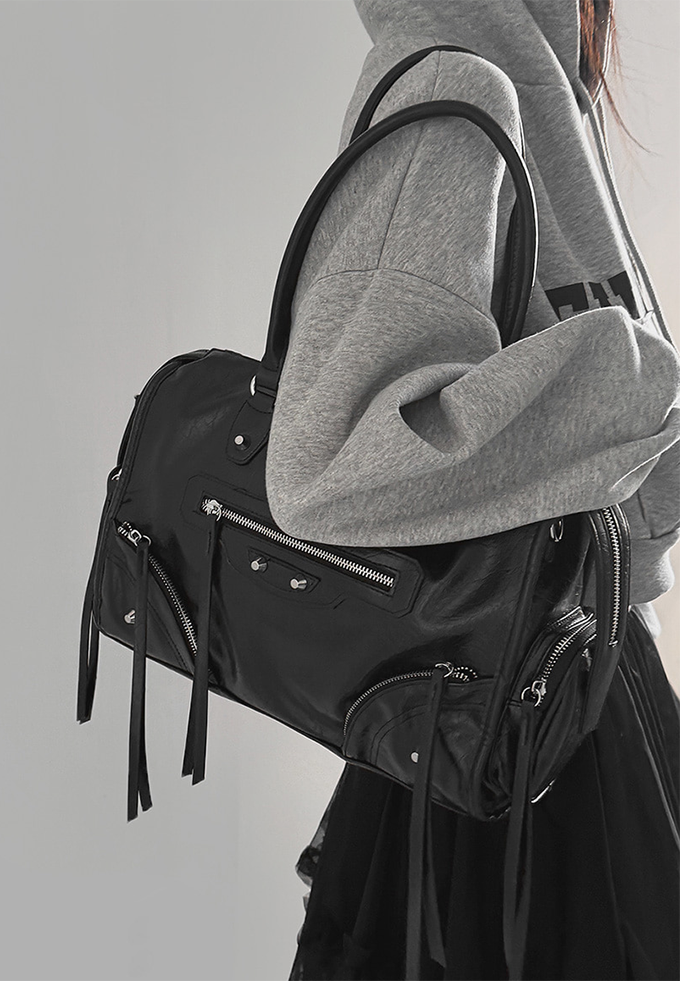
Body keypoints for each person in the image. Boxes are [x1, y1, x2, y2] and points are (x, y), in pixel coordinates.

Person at [262, 2, 680, 979]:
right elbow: (327, 468)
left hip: (551, 693)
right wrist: (635, 386)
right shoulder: (458, 79)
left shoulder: (548, 91)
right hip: (514, 734)